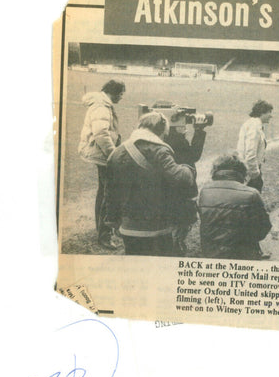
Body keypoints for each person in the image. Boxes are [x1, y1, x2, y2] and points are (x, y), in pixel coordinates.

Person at [105, 112, 197, 257]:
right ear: (161, 131)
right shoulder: (159, 150)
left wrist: (113, 221)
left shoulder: (117, 152)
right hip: (157, 227)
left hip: (128, 226)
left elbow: (110, 193)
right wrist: (188, 168)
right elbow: (180, 179)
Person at [197, 152, 272, 260]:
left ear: (215, 171)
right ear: (242, 172)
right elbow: (263, 229)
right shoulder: (252, 194)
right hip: (241, 256)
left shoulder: (205, 191)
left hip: (210, 253)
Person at [78, 79, 124, 250]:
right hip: (103, 155)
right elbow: (101, 134)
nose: (121, 98)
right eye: (120, 94)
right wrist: (113, 154)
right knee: (108, 194)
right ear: (113, 92)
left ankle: (102, 228)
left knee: (103, 192)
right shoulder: (101, 106)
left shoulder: (101, 103)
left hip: (100, 153)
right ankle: (105, 236)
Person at [164, 118, 208, 255]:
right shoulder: (177, 141)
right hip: (182, 189)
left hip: (165, 188)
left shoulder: (162, 139)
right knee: (183, 218)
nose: (184, 126)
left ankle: (173, 242)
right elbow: (194, 155)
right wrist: (199, 130)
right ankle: (176, 243)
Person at [237, 100, 273, 192]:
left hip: (246, 170)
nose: (271, 115)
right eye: (269, 112)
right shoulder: (254, 127)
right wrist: (255, 174)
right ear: (262, 112)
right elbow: (250, 153)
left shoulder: (253, 124)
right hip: (249, 173)